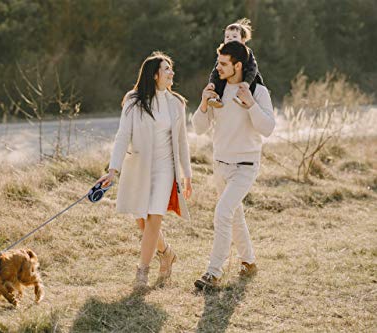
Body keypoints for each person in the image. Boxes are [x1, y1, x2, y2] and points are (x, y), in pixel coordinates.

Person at [96, 51, 192, 290]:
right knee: (143, 222)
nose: (172, 72)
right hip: (139, 166)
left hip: (165, 168)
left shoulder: (176, 103)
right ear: (154, 74)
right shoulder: (133, 100)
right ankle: (166, 253)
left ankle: (142, 272)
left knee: (154, 217)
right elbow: (122, 136)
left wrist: (187, 173)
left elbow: (182, 141)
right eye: (166, 69)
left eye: (171, 68)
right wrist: (113, 170)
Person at [191, 41, 275, 289]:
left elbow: (268, 129)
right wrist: (204, 103)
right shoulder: (217, 88)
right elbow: (198, 128)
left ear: (238, 65)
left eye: (224, 64)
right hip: (220, 165)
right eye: (218, 63)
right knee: (234, 215)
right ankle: (249, 262)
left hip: (245, 166)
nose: (218, 67)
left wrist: (250, 104)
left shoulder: (258, 91)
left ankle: (213, 273)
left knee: (223, 213)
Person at [207, 18, 265, 108]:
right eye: (227, 37)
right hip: (228, 77)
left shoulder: (247, 52)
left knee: (253, 82)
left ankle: (245, 99)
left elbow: (252, 68)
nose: (230, 39)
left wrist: (247, 82)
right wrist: (212, 83)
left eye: (234, 37)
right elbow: (216, 70)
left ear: (243, 41)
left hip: (248, 75)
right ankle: (217, 98)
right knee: (219, 79)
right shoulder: (223, 52)